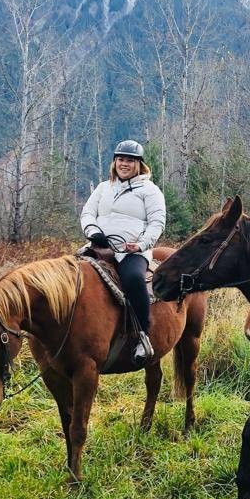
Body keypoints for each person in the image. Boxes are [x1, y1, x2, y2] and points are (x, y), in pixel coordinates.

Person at [81, 140, 166, 363]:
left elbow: (157, 222)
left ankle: (143, 336)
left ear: (139, 164)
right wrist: (93, 231)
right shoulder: (102, 187)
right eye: (121, 159)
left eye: (130, 160)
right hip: (99, 246)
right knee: (70, 275)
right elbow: (87, 213)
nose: (124, 164)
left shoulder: (150, 190)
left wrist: (141, 245)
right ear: (114, 162)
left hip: (131, 250)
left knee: (134, 279)